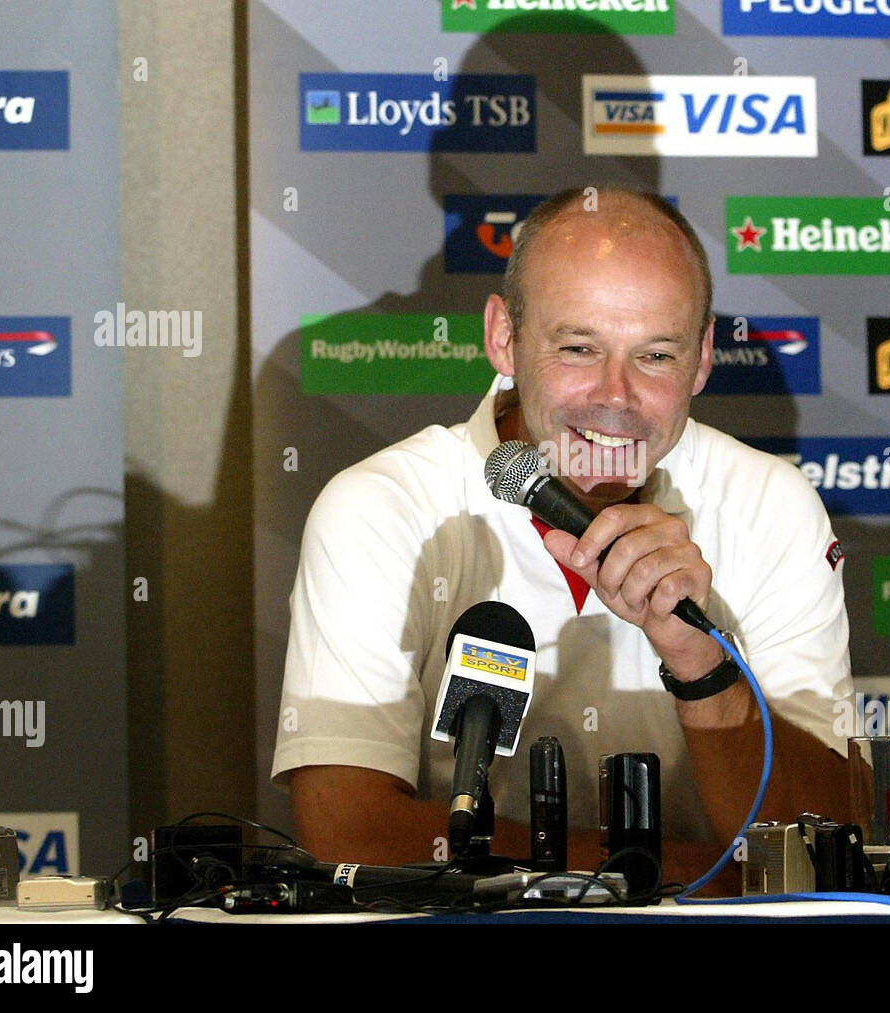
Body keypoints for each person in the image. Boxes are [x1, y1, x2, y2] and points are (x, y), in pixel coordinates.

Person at [272, 187, 852, 886]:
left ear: (702, 358)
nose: (615, 396)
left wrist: (705, 667)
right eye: (579, 347)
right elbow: (347, 827)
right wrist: (648, 878)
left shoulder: (771, 504)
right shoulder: (382, 508)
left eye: (656, 356)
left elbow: (827, 836)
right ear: (504, 337)